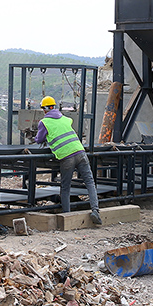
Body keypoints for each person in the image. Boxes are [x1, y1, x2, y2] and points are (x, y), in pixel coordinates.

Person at [35, 96, 102, 225]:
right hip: (80, 152)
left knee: (65, 187)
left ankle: (67, 216)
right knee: (90, 182)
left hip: (67, 157)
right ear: (54, 107)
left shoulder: (44, 122)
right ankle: (95, 210)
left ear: (44, 110)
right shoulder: (66, 119)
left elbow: (39, 139)